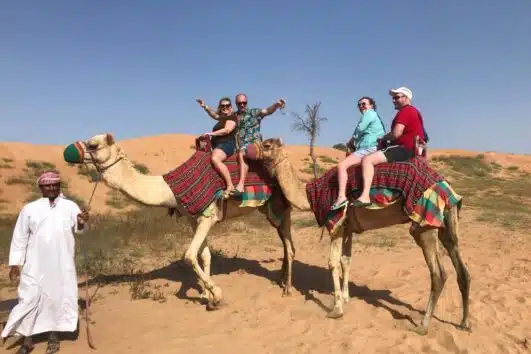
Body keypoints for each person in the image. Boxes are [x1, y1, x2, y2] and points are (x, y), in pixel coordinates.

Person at [1, 170, 89, 354]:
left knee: (56, 298)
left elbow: (80, 229)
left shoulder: (70, 206)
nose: (52, 188)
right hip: (35, 263)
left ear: (59, 186)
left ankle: (53, 337)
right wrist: (15, 263)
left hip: (61, 262)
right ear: (41, 188)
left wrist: (81, 222)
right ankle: (28, 340)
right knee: (29, 298)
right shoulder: (29, 209)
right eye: (48, 185)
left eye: (55, 185)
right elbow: (20, 237)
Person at [351, 86, 428, 207]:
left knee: (367, 160)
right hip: (412, 149)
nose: (393, 100)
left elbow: (396, 133)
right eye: (393, 98)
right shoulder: (415, 112)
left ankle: (365, 196)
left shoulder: (406, 111)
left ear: (406, 98)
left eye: (396, 97)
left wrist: (382, 138)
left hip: (403, 148)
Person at [330, 96, 386, 210]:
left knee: (341, 166)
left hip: (368, 149)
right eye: (359, 105)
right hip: (370, 148)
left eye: (364, 104)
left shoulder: (369, 114)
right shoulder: (375, 117)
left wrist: (351, 141)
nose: (361, 106)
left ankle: (341, 197)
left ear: (371, 106)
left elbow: (359, 129)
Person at [233, 93, 286, 194]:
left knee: (242, 153)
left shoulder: (254, 112)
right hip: (240, 144)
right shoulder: (234, 117)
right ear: (236, 103)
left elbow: (267, 111)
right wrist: (206, 107)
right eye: (240, 103)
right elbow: (218, 117)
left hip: (255, 145)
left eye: (244, 103)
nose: (242, 105)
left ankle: (241, 184)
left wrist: (276, 105)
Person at [197, 97, 239, 196]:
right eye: (223, 106)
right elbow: (214, 115)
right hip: (217, 144)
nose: (225, 107)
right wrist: (205, 106)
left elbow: (227, 130)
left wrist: (210, 134)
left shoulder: (232, 118)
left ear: (231, 107)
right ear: (220, 107)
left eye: (227, 105)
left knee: (215, 159)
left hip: (227, 144)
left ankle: (230, 185)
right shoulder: (221, 118)